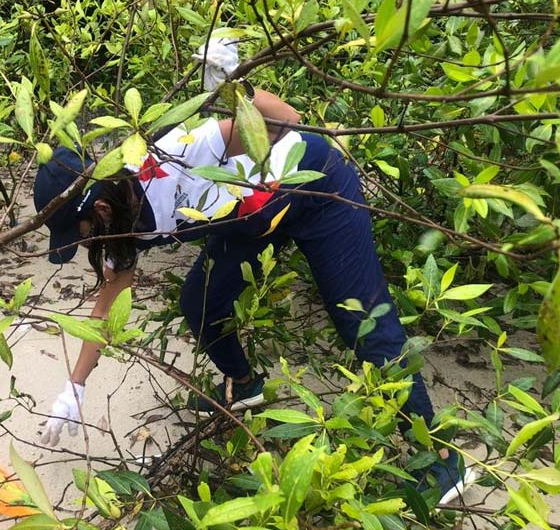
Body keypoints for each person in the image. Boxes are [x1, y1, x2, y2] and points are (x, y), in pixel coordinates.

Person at [32, 36, 473, 503]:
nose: (83, 245)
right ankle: (244, 386)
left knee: (362, 322)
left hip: (314, 187)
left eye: (79, 232)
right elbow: (107, 307)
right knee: (200, 302)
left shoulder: (174, 154)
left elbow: (288, 121)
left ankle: (443, 458)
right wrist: (73, 390)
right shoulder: (119, 228)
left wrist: (235, 87)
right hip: (247, 217)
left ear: (99, 208)